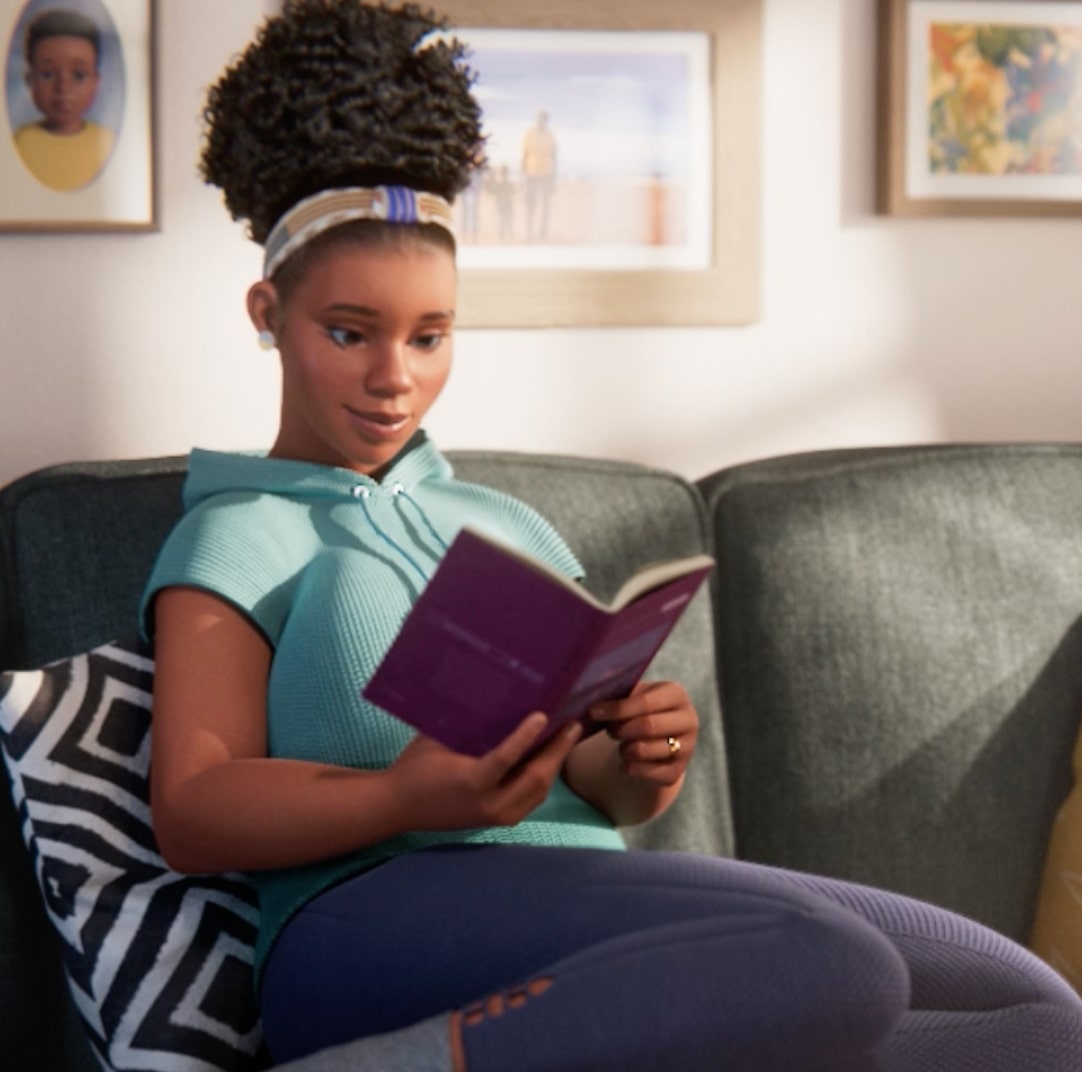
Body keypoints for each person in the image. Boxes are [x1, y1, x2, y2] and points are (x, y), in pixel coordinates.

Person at [141, 3, 1082, 1070]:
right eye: (348, 333)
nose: (393, 375)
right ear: (267, 311)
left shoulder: (504, 522)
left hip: (572, 910)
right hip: (364, 925)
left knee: (1040, 1017)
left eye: (429, 334)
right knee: (840, 961)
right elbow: (195, 808)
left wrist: (638, 759)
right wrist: (404, 796)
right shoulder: (236, 530)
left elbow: (591, 777)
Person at [14, 8, 115, 192]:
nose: (63, 87)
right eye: (47, 74)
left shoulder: (107, 144)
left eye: (78, 75)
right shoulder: (19, 144)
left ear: (96, 82)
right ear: (30, 81)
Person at [521, 108, 556, 242]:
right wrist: (522, 175)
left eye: (544, 120)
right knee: (531, 204)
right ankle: (529, 231)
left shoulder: (550, 135)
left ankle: (542, 234)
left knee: (545, 206)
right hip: (531, 173)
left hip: (546, 173)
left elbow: (554, 157)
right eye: (540, 119)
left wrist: (553, 178)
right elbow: (524, 155)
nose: (541, 122)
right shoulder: (529, 134)